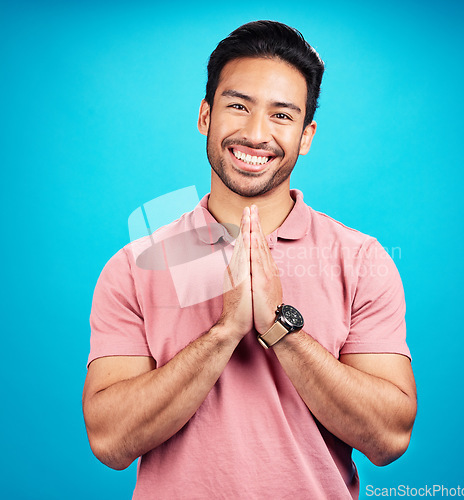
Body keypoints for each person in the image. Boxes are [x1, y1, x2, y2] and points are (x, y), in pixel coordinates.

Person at [82, 20, 417, 499]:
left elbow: (389, 438)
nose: (255, 133)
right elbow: (110, 442)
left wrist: (280, 329)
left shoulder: (361, 261)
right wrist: (224, 333)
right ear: (205, 116)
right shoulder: (136, 266)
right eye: (238, 106)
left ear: (306, 135)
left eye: (282, 116)